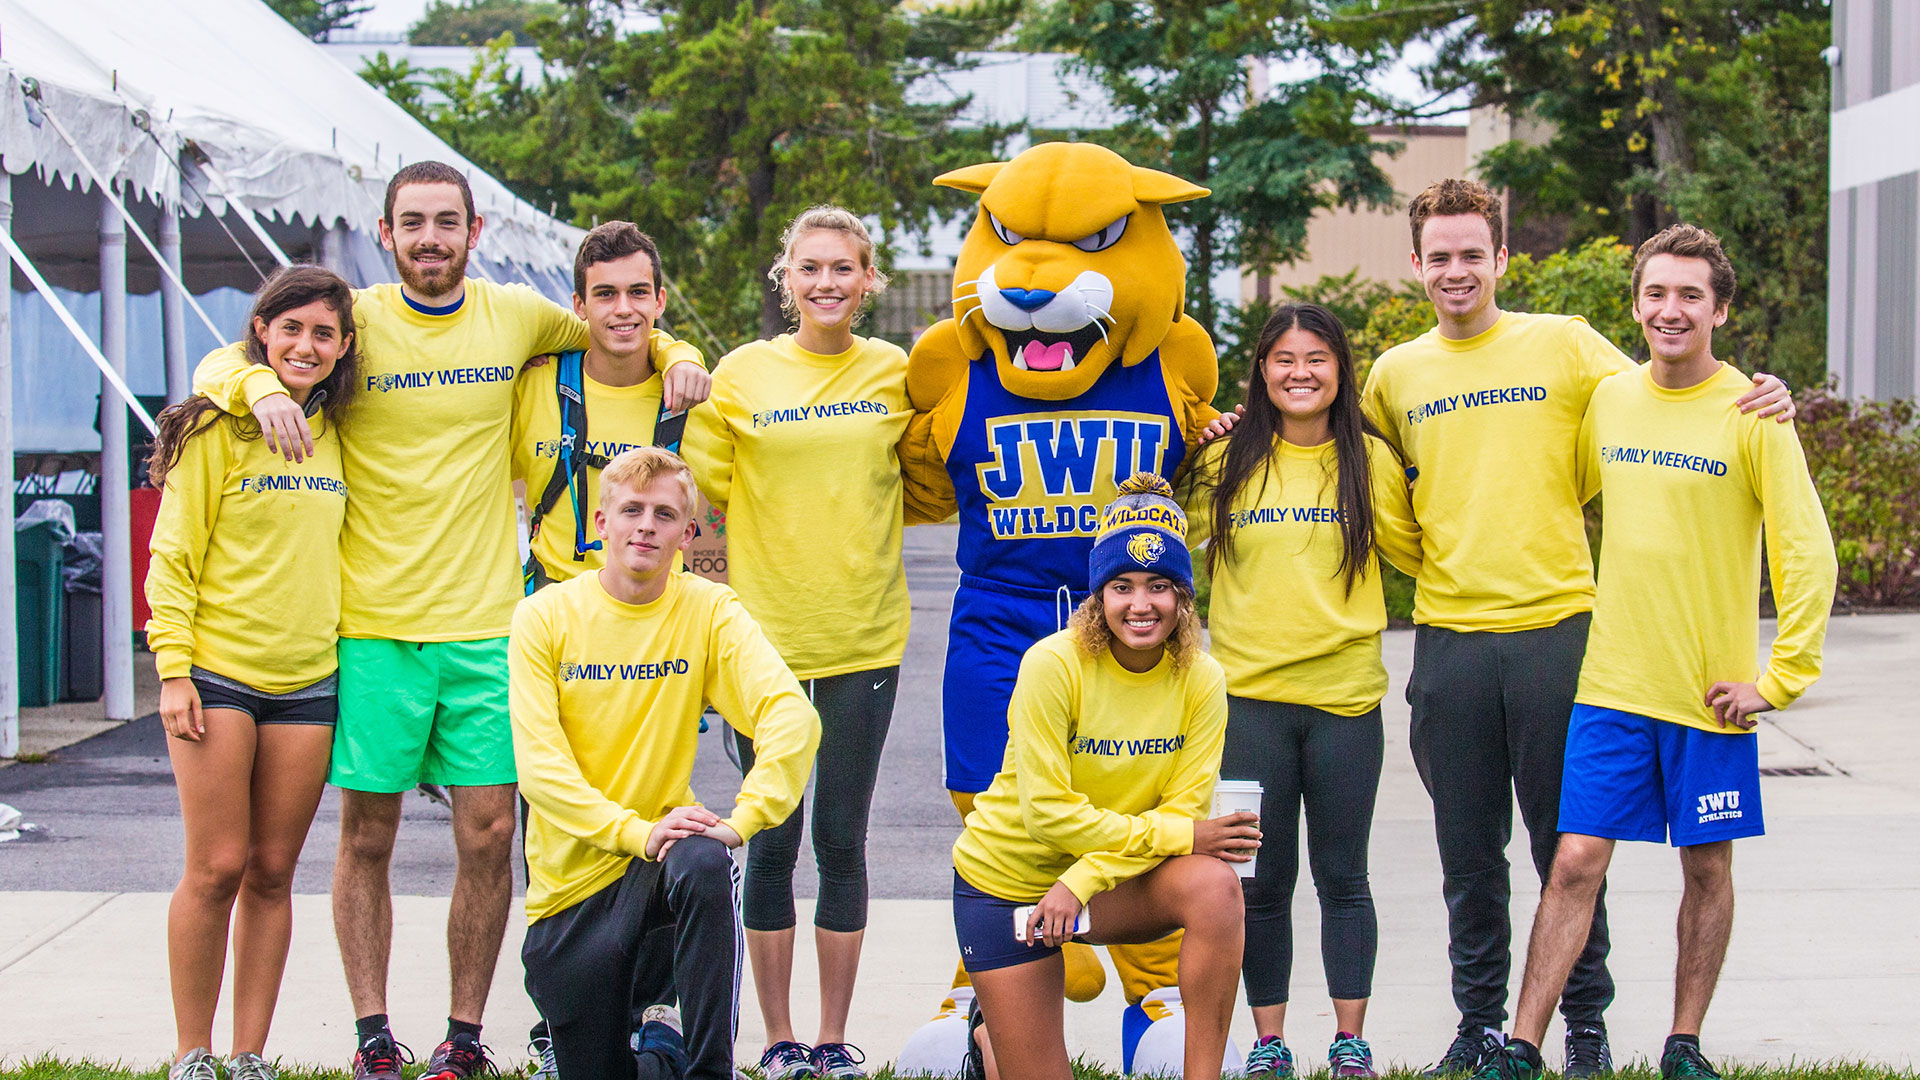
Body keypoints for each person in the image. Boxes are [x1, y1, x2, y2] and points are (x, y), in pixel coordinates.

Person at [191, 161, 709, 1080]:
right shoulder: (353, 324)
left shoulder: (515, 314)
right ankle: (373, 1034)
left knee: (488, 833)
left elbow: (618, 320)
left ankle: (464, 1036)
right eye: (412, 224)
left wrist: (679, 355)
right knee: (367, 836)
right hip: (374, 627)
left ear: (475, 234)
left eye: (447, 223)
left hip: (486, 626)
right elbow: (241, 348)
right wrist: (258, 388)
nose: (430, 238)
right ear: (385, 236)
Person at [1355, 179, 1795, 1077]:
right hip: (1450, 642)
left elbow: (1670, 383)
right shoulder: (1395, 375)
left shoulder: (1561, 343)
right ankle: (1481, 1025)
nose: (1456, 270)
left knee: (1572, 848)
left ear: (1502, 258)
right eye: (1439, 256)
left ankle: (1584, 1025)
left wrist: (1762, 392)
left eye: (1473, 253)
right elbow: (1361, 480)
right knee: (1468, 856)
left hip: (1562, 633)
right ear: (1415, 265)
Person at [1470, 225, 1837, 1080]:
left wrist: (1779, 680)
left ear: (1719, 308)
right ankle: (1521, 1048)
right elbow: (1555, 483)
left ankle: (1683, 1045)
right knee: (1574, 863)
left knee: (1707, 868)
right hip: (1612, 683)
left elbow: (1807, 551)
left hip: (1709, 696)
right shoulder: (1611, 401)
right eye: (1657, 294)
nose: (1671, 311)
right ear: (1635, 303)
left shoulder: (1754, 413)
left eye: (1691, 296)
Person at [682, 205, 914, 1079]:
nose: (826, 283)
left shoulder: (894, 371)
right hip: (764, 644)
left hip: (864, 638)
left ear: (867, 280)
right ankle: (776, 1041)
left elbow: (932, 468)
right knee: (773, 837)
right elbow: (699, 504)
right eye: (809, 268)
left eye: (843, 269)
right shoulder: (739, 376)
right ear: (786, 277)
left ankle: (830, 1039)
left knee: (843, 842)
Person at [511, 446, 818, 1080]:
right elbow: (541, 771)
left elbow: (791, 715)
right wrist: (635, 832)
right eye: (630, 510)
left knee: (706, 859)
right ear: (601, 523)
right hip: (572, 894)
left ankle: (709, 1068)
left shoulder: (706, 610)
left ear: (686, 533)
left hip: (663, 880)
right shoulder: (544, 618)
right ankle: (659, 1039)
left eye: (664, 514)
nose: (645, 525)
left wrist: (742, 819)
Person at [1180, 304, 1422, 1080]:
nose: (1300, 373)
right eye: (1283, 359)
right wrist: (1193, 443)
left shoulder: (1369, 460)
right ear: (1261, 371)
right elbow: (1164, 537)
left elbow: (1421, 550)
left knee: (1344, 876)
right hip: (1247, 705)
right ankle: (1269, 1043)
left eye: (1316, 358)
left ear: (1341, 370)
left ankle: (1350, 1040)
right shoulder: (1225, 462)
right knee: (1259, 881)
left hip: (1346, 702)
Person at [950, 474, 1258, 1080]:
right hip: (1009, 883)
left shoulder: (1203, 679)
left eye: (1159, 587)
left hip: (1104, 886)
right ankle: (991, 1039)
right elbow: (1048, 815)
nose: (1141, 605)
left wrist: (1084, 879)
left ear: (1184, 597)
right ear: (1099, 594)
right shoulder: (1052, 665)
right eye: (1122, 586)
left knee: (1215, 885)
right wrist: (1173, 839)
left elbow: (1183, 815)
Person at [145, 266, 358, 1080]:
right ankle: (192, 1053)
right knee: (216, 866)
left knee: (272, 873)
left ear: (342, 350)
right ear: (262, 333)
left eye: (324, 334)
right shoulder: (217, 426)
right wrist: (173, 672)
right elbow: (173, 558)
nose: (307, 344)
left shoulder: (342, 431)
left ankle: (247, 1056)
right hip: (218, 676)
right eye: (291, 327)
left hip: (309, 682)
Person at [515, 220, 705, 588]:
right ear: (579, 305)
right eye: (605, 294)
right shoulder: (534, 386)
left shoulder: (689, 396)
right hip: (558, 619)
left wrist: (679, 354)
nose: (623, 309)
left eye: (637, 292)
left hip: (660, 621)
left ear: (659, 300)